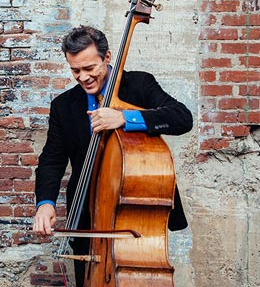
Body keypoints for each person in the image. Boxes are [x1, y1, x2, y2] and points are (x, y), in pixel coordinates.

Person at [32, 25, 192, 287]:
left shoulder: (140, 85)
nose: (83, 77)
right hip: (87, 220)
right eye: (75, 70)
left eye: (89, 68)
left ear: (107, 58)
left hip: (135, 220)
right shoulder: (63, 106)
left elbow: (182, 118)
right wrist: (46, 203)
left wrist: (125, 117)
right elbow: (52, 160)